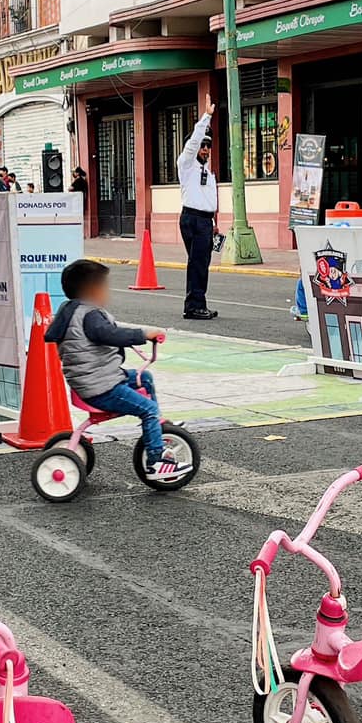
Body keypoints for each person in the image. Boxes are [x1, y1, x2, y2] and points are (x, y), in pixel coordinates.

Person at [45, 259, 180, 479]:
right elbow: (110, 334)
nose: (108, 293)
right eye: (105, 287)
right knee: (147, 409)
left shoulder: (70, 311)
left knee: (143, 377)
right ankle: (156, 461)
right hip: (102, 387)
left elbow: (107, 333)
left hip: (93, 381)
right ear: (93, 291)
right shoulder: (90, 315)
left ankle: (158, 426)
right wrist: (144, 334)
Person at [178, 104, 218, 321]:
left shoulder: (207, 171)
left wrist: (214, 223)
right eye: (202, 145)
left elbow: (210, 200)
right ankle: (194, 306)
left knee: (200, 263)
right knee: (198, 264)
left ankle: (196, 304)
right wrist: (207, 117)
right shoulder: (186, 164)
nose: (205, 149)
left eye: (208, 146)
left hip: (205, 221)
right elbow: (193, 142)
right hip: (192, 219)